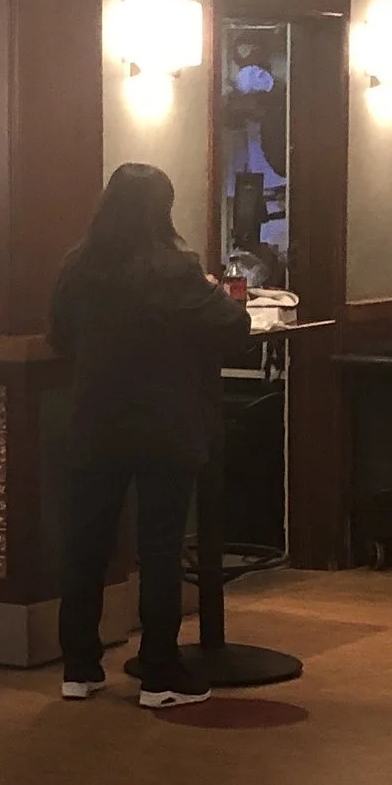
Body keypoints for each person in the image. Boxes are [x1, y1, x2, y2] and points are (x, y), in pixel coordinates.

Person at [48, 163, 245, 709]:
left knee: (85, 546)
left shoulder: (77, 268)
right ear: (163, 209)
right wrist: (210, 289)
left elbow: (60, 336)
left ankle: (79, 668)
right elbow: (234, 327)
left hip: (95, 421)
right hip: (165, 423)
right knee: (159, 548)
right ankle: (159, 674)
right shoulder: (176, 271)